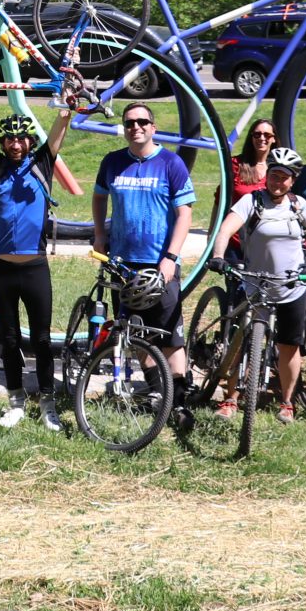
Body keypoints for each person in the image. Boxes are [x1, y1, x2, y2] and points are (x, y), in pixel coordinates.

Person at [0, 95, 75, 431]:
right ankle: (15, 402)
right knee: (9, 339)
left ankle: (47, 405)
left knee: (41, 340)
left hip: (34, 268)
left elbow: (59, 129)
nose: (15, 144)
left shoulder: (42, 163)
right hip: (1, 268)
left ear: (30, 141)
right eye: (9, 138)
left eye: (21, 138)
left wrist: (67, 105)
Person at [92, 102, 195, 422]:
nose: (135, 127)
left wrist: (170, 258)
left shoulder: (170, 163)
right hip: (123, 264)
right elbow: (98, 196)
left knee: (170, 336)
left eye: (142, 122)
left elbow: (185, 214)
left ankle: (178, 403)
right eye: (129, 123)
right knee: (136, 334)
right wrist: (99, 235)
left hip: (160, 265)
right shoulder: (112, 162)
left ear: (153, 127)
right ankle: (155, 391)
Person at [213, 146, 306, 424]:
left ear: (293, 180)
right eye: (275, 176)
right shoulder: (252, 201)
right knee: (242, 340)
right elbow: (227, 229)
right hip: (256, 284)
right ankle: (231, 398)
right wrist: (218, 255)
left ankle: (287, 402)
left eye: (285, 177)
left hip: (291, 286)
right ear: (268, 177)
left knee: (290, 347)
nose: (279, 182)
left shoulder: (298, 205)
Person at [229, 118, 277, 206]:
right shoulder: (235, 164)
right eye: (257, 134)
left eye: (267, 135)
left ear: (274, 139)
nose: (262, 138)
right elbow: (220, 199)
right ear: (251, 137)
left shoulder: (279, 167)